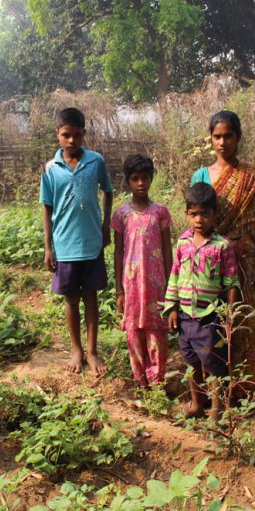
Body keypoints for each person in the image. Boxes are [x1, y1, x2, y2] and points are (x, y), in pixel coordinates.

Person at [190, 110, 255, 383]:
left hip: (242, 261)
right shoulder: (200, 175)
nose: (222, 142)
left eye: (228, 136)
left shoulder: (251, 177)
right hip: (209, 261)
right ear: (210, 139)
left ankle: (242, 385)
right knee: (208, 323)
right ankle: (212, 385)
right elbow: (194, 218)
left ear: (238, 137)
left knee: (242, 321)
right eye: (217, 136)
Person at [40, 107, 113, 376]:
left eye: (77, 135)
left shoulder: (96, 161)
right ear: (58, 134)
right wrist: (48, 247)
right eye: (66, 135)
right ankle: (76, 350)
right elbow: (47, 207)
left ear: (84, 134)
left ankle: (92, 351)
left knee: (91, 298)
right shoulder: (50, 168)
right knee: (71, 299)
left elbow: (108, 191)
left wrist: (105, 226)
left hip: (92, 243)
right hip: (64, 246)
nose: (72, 141)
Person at [165, 182, 240, 421]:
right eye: (193, 214)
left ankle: (216, 411)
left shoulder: (223, 246)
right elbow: (175, 275)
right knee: (191, 364)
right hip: (186, 316)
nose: (199, 220)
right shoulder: (183, 243)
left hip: (209, 318)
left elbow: (231, 284)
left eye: (204, 214)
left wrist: (229, 317)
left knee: (214, 366)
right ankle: (197, 404)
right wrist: (172, 307)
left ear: (214, 214)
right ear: (187, 214)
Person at [112, 154, 173, 387]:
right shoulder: (121, 214)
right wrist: (119, 290)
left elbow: (167, 250)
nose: (140, 183)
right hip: (131, 284)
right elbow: (118, 252)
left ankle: (156, 380)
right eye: (135, 178)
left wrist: (171, 284)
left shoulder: (161, 213)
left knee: (156, 329)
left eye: (145, 178)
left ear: (151, 179)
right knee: (133, 331)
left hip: (157, 283)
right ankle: (139, 380)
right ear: (127, 181)